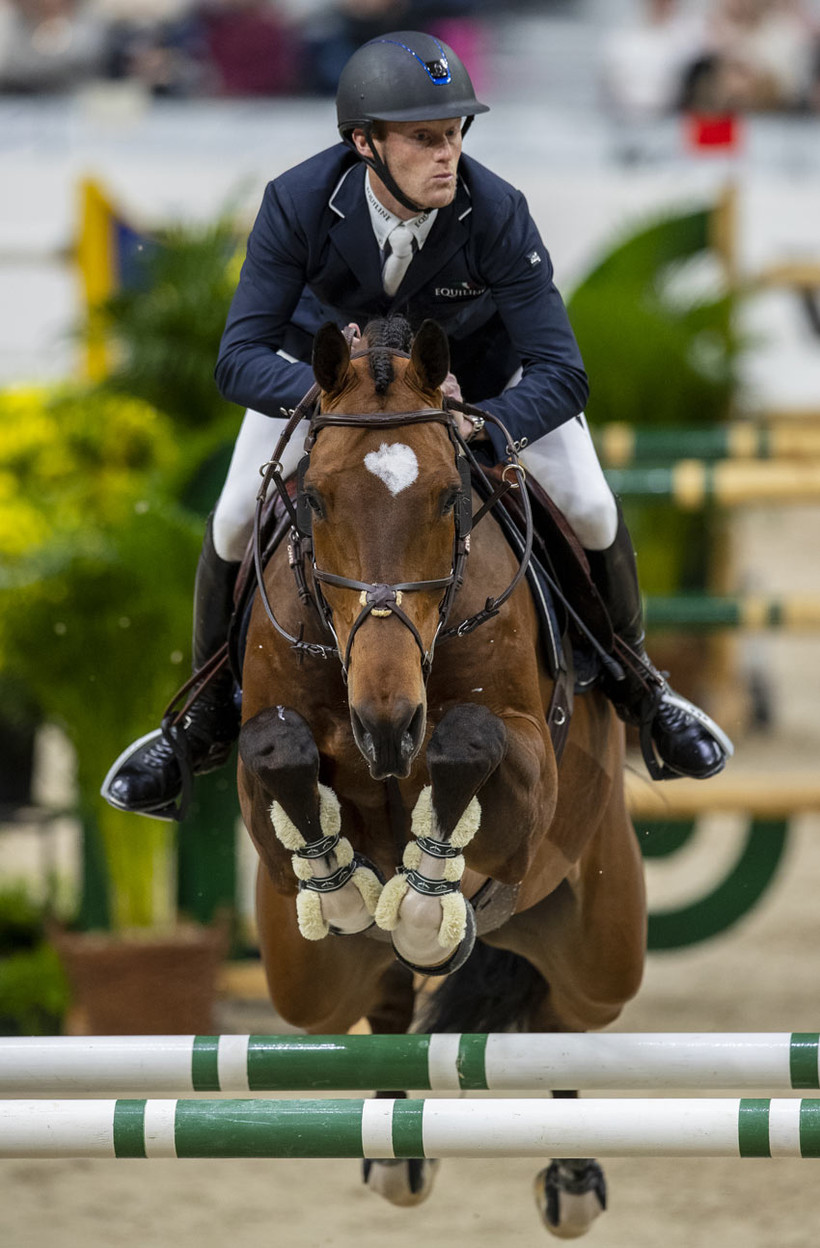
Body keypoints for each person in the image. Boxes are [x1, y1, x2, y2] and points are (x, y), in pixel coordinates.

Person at [102, 29, 733, 821]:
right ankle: (199, 720)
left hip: (478, 395)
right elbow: (237, 358)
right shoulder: (297, 202)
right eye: (426, 138)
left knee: (595, 508)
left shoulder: (495, 210)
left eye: (456, 134)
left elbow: (563, 371)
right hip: (322, 392)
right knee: (233, 519)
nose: (449, 156)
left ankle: (641, 689)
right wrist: (329, 401)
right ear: (365, 142)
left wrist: (489, 426)